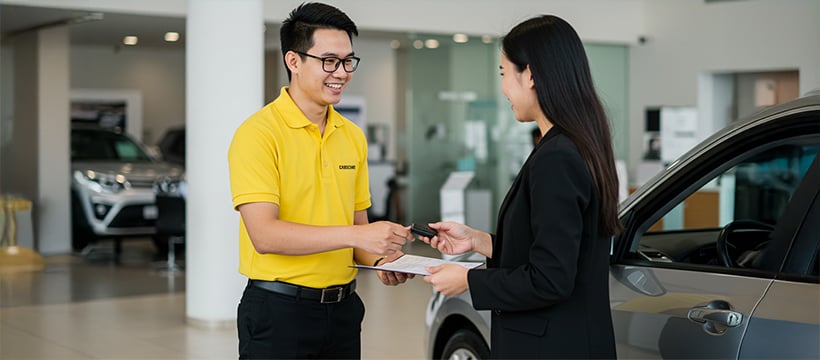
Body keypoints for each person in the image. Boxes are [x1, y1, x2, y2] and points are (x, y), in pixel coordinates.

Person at [420, 15, 622, 359]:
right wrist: (478, 241)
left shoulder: (557, 157)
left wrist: (468, 281)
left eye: (503, 73)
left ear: (529, 75)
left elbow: (550, 278)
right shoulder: (576, 145)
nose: (502, 87)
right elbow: (554, 250)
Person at [228, 3, 413, 359]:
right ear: (293, 61)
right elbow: (265, 235)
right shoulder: (258, 134)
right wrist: (358, 235)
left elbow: (357, 226)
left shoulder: (352, 136)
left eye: (348, 61)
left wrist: (381, 262)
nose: (341, 72)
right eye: (329, 60)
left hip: (343, 310)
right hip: (278, 312)